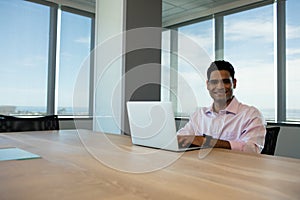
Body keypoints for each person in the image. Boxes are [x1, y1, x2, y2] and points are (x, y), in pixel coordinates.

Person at [177, 60, 266, 153]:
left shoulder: (251, 114)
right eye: (214, 82)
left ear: (234, 83)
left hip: (234, 166)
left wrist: (206, 141)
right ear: (208, 85)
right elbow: (181, 137)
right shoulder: (199, 115)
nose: (220, 87)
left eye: (225, 81)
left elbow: (252, 150)